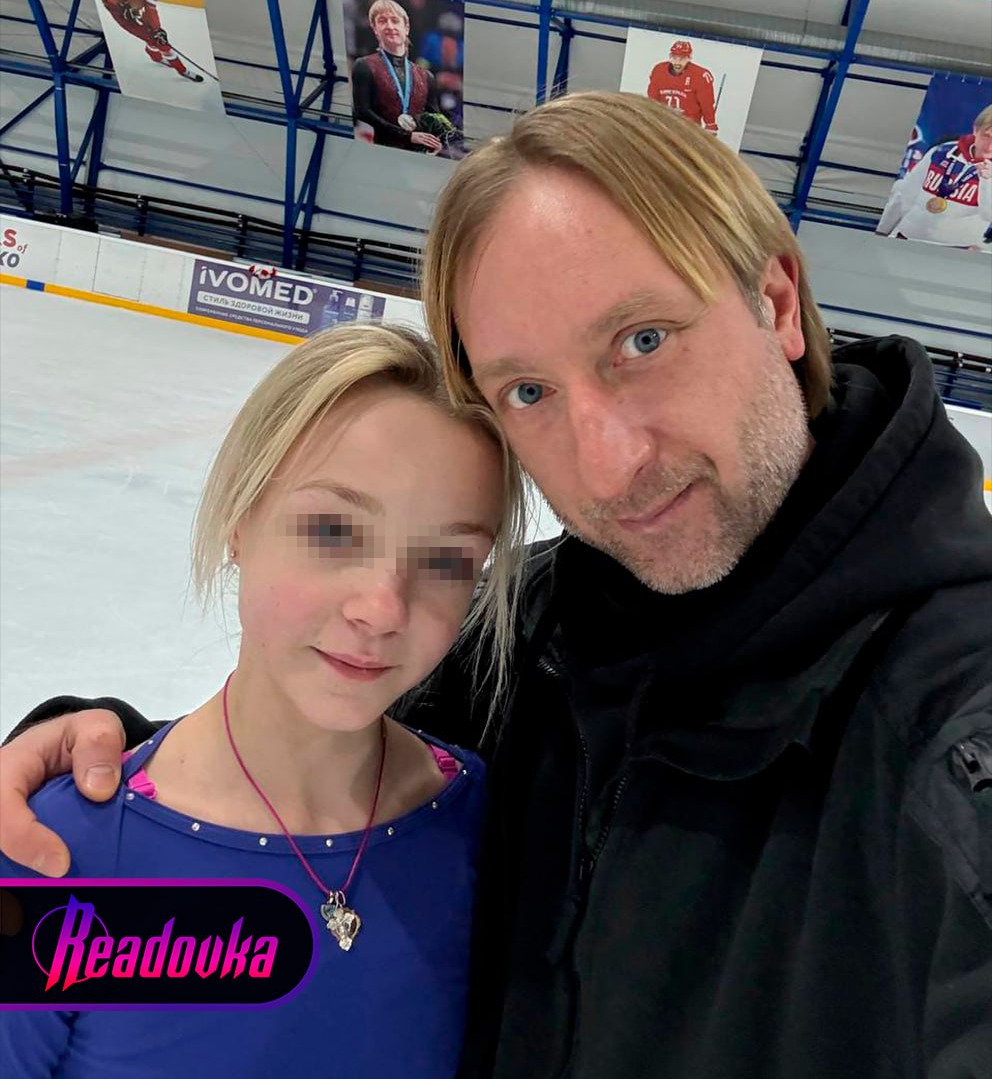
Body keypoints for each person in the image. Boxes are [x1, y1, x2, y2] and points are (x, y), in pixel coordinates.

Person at [3, 93, 991, 1079]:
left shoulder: (952, 725)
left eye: (644, 339)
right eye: (529, 390)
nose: (606, 465)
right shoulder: (539, 638)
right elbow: (302, 741)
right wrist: (86, 759)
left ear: (775, 302)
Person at [0, 324, 525, 1078]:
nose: (382, 608)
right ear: (241, 521)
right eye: (333, 530)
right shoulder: (54, 855)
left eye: (447, 560)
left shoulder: (483, 826)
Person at [877, 104, 992, 249]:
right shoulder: (941, 151)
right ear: (975, 129)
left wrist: (987, 181)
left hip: (956, 251)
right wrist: (882, 231)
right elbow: (904, 195)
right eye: (986, 136)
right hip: (905, 239)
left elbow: (988, 215)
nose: (989, 146)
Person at [91, 0, 204, 84]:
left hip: (136, 10)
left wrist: (157, 30)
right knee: (159, 43)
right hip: (122, 15)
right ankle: (182, 70)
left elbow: (151, 12)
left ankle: (154, 55)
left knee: (157, 37)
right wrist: (117, 4)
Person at [350, 0, 445, 154]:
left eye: (395, 21)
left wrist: (439, 140)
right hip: (381, 151)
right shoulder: (364, 65)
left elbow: (435, 117)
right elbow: (362, 111)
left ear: (406, 27)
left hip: (416, 154)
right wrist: (407, 136)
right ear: (375, 29)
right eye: (382, 21)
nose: (390, 26)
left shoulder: (426, 76)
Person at [646, 39, 719, 132]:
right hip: (663, 123)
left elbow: (706, 104)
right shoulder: (659, 70)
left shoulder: (700, 76)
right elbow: (652, 98)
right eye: (674, 58)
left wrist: (710, 124)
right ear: (670, 56)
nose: (677, 62)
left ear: (689, 58)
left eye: (682, 59)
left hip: (689, 127)